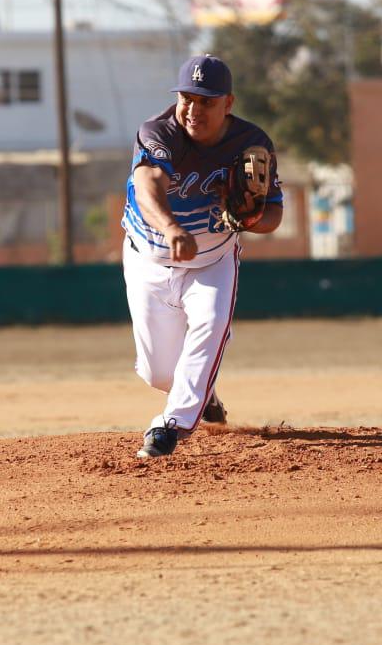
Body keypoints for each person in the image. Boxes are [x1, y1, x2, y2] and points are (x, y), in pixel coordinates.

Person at [121, 54, 283, 458]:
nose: (193, 110)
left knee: (211, 326)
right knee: (160, 373)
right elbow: (147, 185)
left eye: (206, 101)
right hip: (148, 258)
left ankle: (169, 428)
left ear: (228, 103)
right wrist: (172, 228)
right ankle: (202, 393)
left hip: (213, 261)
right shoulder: (158, 131)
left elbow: (275, 215)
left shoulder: (252, 143)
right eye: (187, 98)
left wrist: (252, 217)